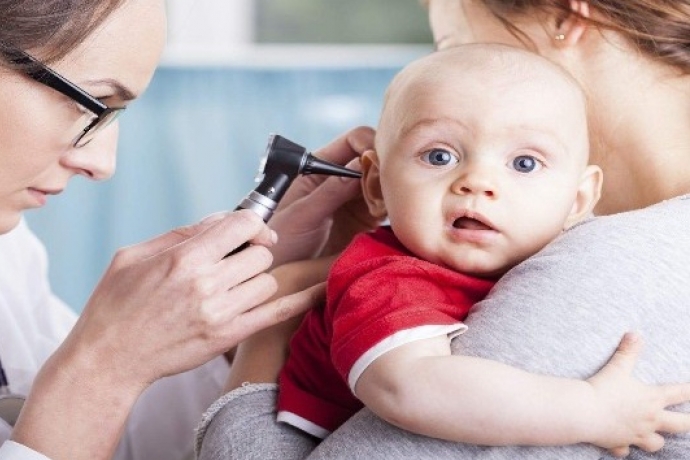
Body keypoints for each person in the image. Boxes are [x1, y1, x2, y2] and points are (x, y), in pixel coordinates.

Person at [195, 0, 690, 459]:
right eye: (439, 156)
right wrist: (589, 409)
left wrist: (275, 320)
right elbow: (408, 385)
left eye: (523, 162)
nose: (477, 182)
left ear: (580, 199)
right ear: (376, 184)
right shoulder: (391, 279)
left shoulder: (613, 260)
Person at [0, 1, 374, 459]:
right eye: (90, 105)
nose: (102, 164)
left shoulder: (11, 256)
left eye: (116, 115)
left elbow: (117, 442)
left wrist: (243, 303)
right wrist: (104, 365)